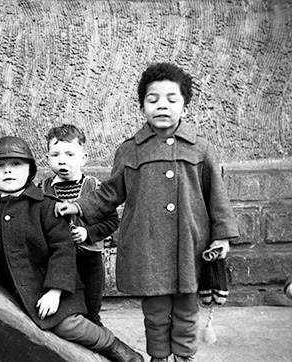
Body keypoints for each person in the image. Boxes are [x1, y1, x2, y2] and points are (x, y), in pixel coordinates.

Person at [55, 63, 239, 362]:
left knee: (186, 310)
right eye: (153, 100)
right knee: (155, 311)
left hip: (190, 246)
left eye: (171, 99)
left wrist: (222, 238)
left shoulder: (201, 150)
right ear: (142, 106)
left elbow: (217, 197)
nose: (162, 105)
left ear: (185, 106)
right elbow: (110, 192)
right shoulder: (130, 150)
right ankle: (159, 357)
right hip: (147, 245)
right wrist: (79, 205)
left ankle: (184, 356)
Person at [0, 136, 142, 362]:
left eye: (16, 164)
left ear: (30, 169)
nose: (8, 171)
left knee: (69, 326)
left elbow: (63, 250)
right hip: (10, 290)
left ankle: (118, 349)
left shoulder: (45, 206)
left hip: (52, 288)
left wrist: (55, 292)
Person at [39, 124, 119, 326]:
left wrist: (88, 233)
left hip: (88, 260)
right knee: (67, 310)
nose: (62, 161)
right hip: (57, 260)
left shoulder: (94, 188)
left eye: (70, 154)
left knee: (91, 310)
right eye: (55, 155)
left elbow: (112, 221)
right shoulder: (43, 189)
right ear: (47, 158)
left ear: (83, 158)